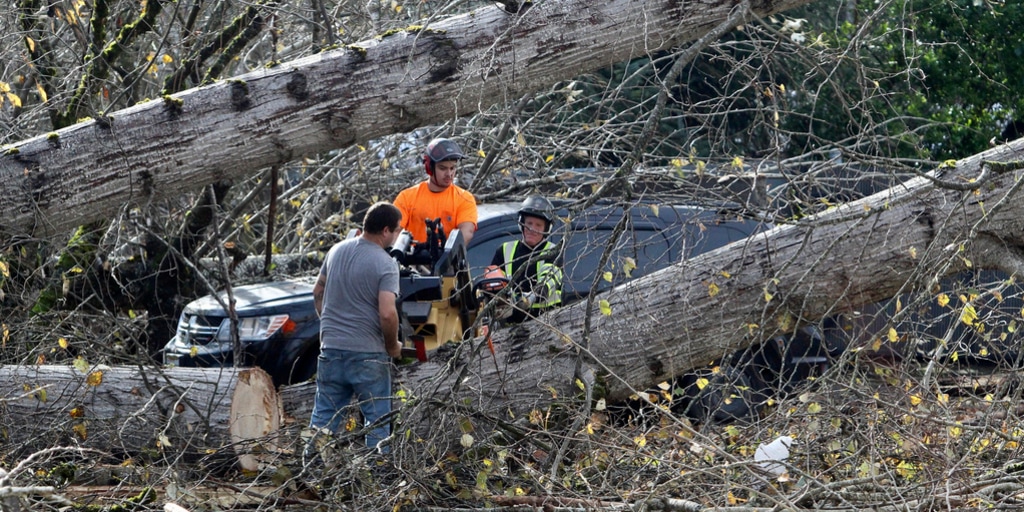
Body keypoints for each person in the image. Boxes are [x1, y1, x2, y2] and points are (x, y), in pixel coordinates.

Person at [306, 202, 403, 456]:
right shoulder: (385, 263)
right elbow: (387, 312)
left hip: (331, 349)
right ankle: (377, 483)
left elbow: (317, 292)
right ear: (385, 231)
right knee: (377, 421)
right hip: (368, 354)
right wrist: (393, 346)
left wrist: (330, 326)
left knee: (323, 419)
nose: (398, 235)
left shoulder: (336, 251)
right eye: (397, 230)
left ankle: (310, 473)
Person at [489, 196, 564, 324]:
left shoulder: (553, 252)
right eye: (529, 223)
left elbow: (547, 282)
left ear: (546, 229)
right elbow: (491, 283)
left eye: (538, 225)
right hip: (509, 327)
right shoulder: (504, 250)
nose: (532, 229)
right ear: (521, 224)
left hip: (545, 325)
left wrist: (528, 299)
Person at [393, 137, 478, 245]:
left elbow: (466, 232)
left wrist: (446, 254)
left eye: (452, 168)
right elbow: (394, 232)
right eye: (443, 168)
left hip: (447, 260)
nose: (449, 174)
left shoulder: (465, 198)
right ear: (429, 168)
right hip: (410, 259)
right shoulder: (406, 197)